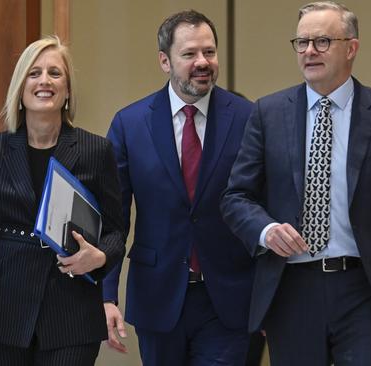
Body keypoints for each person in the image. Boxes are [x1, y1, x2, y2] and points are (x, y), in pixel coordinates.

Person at [220, 2, 371, 365]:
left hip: (363, 289)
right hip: (290, 288)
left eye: (323, 41)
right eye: (301, 42)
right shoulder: (269, 113)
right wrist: (265, 231)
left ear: (351, 48)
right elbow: (236, 197)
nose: (309, 51)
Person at [0, 36, 126, 366]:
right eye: (34, 73)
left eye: (55, 73)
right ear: (20, 88)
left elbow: (116, 230)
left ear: (67, 91)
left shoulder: (96, 151)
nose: (44, 81)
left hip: (72, 310)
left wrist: (100, 256)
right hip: (1, 308)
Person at [101, 10, 255, 366]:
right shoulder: (130, 124)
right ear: (164, 61)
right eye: (190, 54)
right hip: (158, 295)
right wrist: (107, 294)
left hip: (228, 297)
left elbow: (262, 205)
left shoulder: (247, 118)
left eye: (209, 52)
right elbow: (113, 217)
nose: (203, 62)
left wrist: (268, 295)